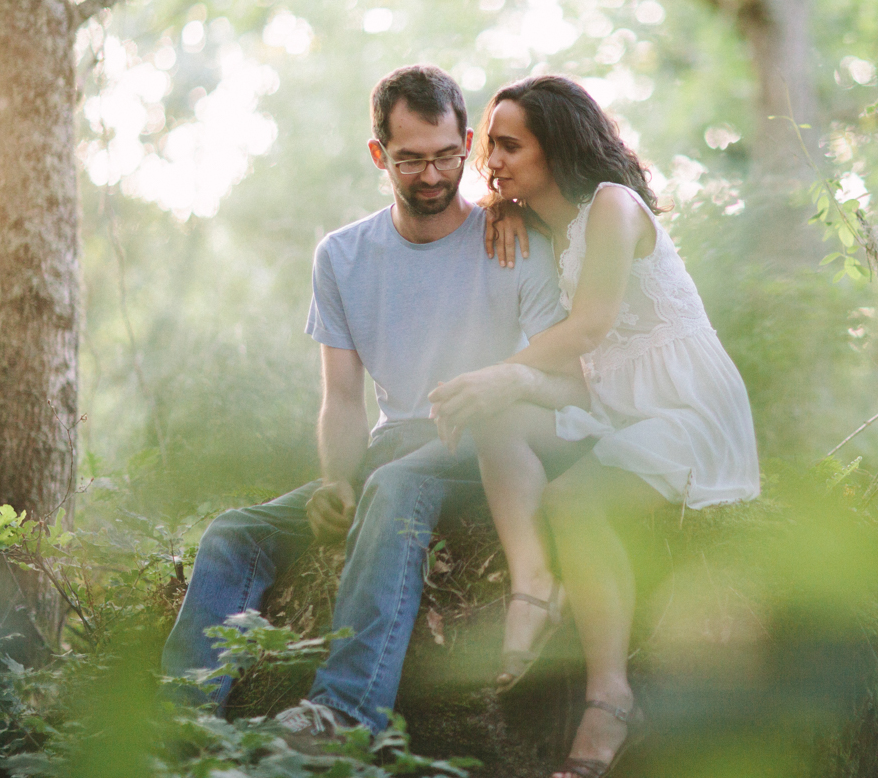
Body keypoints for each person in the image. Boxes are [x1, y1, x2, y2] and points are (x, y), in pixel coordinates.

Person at [160, 65, 589, 751]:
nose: (431, 175)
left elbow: (566, 379)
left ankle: (345, 711)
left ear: (469, 143)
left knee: (394, 483)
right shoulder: (343, 257)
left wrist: (499, 385)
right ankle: (175, 721)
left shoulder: (512, 241)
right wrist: (335, 478)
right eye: (411, 159)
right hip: (400, 441)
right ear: (377, 155)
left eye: (448, 156)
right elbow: (341, 399)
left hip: (496, 441)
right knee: (235, 531)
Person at [428, 76, 760, 778]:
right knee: (502, 417)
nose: (493, 159)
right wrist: (498, 211)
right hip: (619, 404)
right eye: (491, 145)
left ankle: (610, 700)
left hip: (686, 410)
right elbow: (588, 365)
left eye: (510, 146)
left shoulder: (614, 206)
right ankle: (533, 586)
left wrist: (504, 371)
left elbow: (591, 328)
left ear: (560, 145)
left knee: (574, 499)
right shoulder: (561, 228)